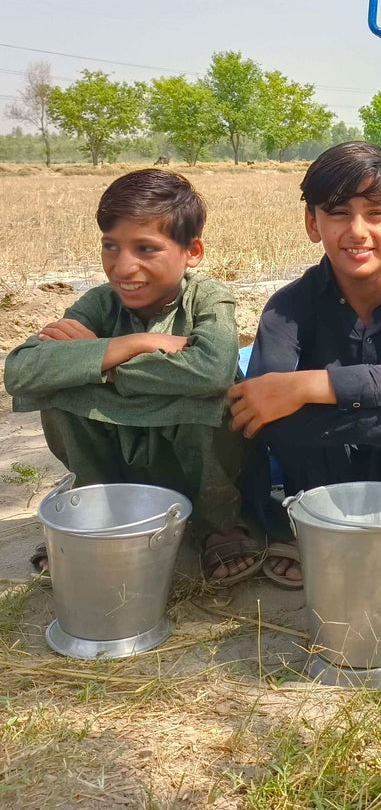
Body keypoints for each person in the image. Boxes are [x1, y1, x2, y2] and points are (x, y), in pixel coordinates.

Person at [229, 142, 381, 589]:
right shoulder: (288, 306)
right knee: (293, 428)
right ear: (312, 223)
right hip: (323, 465)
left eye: (377, 213)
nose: (357, 230)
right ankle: (315, 533)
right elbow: (262, 415)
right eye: (338, 212)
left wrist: (308, 385)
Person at [4, 169, 259, 585]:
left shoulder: (207, 297)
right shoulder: (100, 302)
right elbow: (20, 371)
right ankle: (97, 513)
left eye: (146, 248)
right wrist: (133, 343)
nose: (123, 267)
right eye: (111, 246)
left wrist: (96, 365)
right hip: (119, 460)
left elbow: (211, 371)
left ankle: (218, 525)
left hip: (190, 463)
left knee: (212, 397)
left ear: (192, 251)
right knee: (56, 391)